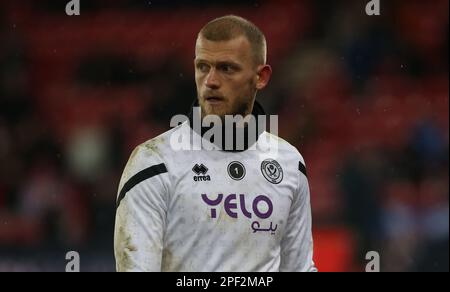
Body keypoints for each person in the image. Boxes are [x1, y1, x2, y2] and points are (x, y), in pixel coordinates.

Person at [114, 15, 316, 272]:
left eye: (226, 68)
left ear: (261, 77)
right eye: (202, 67)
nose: (210, 81)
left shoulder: (289, 164)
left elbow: (299, 268)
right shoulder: (154, 163)